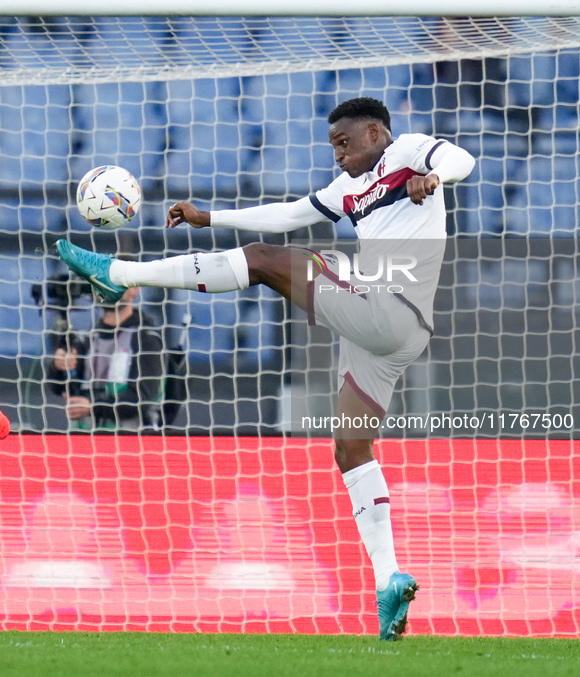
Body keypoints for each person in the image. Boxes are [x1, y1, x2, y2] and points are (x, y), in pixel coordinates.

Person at [56, 97, 475, 639]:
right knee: (350, 448)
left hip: (392, 306)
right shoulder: (346, 190)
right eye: (332, 148)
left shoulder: (410, 152)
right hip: (385, 334)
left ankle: (119, 272)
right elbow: (289, 213)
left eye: (344, 144)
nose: (338, 156)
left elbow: (462, 159)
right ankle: (389, 580)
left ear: (374, 132)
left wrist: (433, 176)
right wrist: (211, 216)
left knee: (261, 260)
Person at [47, 286, 165, 431]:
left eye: (115, 282)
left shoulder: (146, 339)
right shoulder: (86, 338)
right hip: (82, 442)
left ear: (135, 287)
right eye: (102, 282)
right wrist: (57, 367)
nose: (107, 288)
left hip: (131, 443)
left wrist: (93, 406)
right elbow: (60, 387)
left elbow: (142, 399)